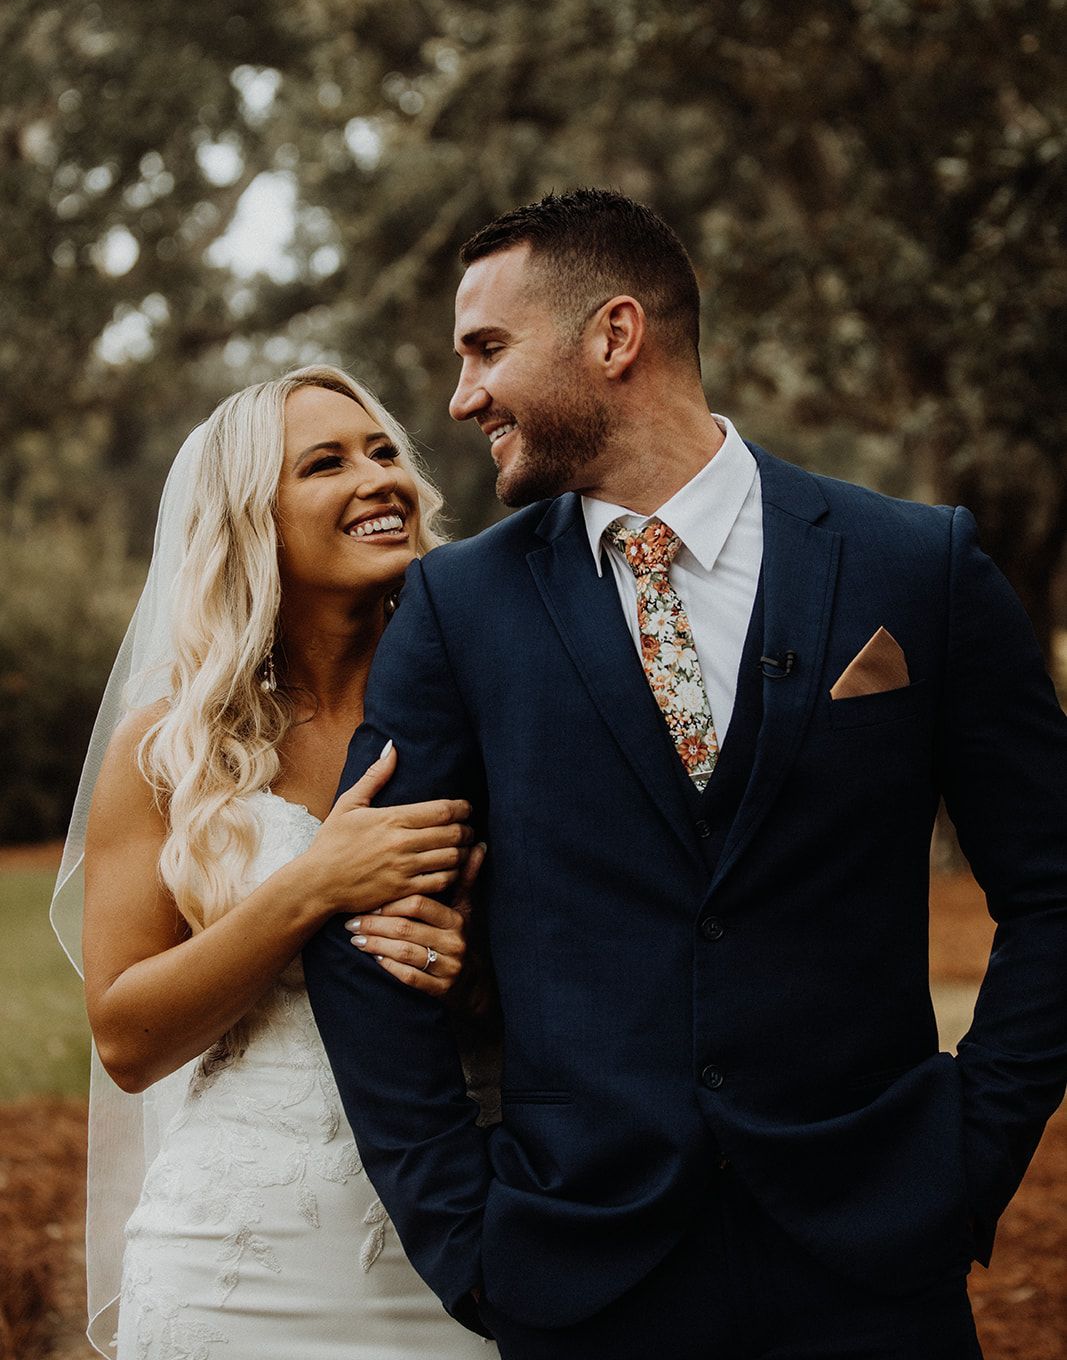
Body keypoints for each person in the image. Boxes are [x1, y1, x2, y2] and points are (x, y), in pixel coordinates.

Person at [303, 188, 1067, 1360]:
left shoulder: (918, 566)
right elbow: (361, 935)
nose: (459, 399)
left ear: (613, 337)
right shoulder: (462, 608)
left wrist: (966, 1155)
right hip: (581, 1273)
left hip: (874, 1264)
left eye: (486, 350)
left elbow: (1054, 890)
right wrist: (469, 1241)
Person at [50, 366, 496, 1359]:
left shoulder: (487, 709)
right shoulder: (169, 750)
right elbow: (126, 1040)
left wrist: (471, 976)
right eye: (325, 463)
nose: (378, 479)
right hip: (237, 1260)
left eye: (384, 452)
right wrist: (311, 884)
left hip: (457, 1241)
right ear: (254, 516)